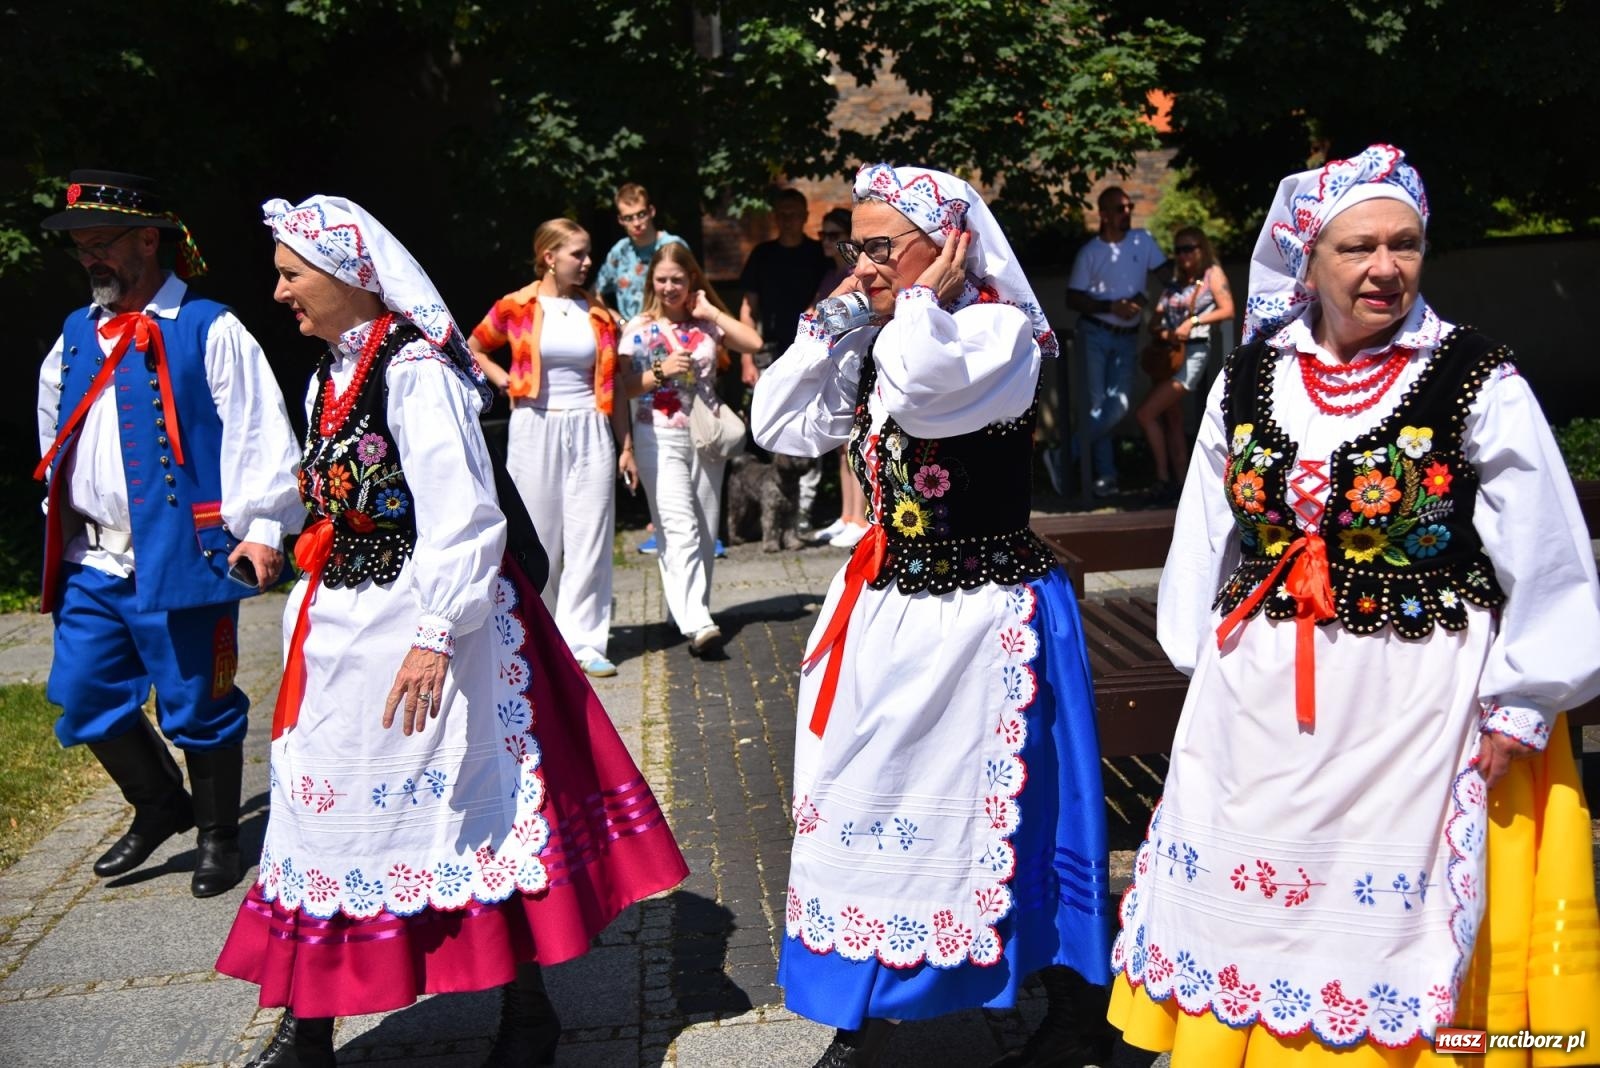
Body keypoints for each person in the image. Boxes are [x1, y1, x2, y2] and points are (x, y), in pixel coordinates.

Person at [1108, 144, 1600, 1065]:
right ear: (1311, 258)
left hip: (1420, 703)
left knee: (1399, 940)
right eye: (1359, 248)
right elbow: (1202, 534)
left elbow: (1546, 546)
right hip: (1261, 707)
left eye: (1405, 245)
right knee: (1261, 924)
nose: (1385, 268)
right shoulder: (1250, 381)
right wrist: (1203, 663)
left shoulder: (1472, 378)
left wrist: (1526, 697)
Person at [216, 195, 688, 1068]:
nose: (279, 293)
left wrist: (436, 633)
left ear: (348, 275)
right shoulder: (330, 375)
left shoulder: (413, 372)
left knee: (470, 815)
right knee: (327, 821)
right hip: (344, 630)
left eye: (290, 275)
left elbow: (466, 517)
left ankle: (526, 1012)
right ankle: (308, 1022)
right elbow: (318, 483)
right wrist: (268, 529)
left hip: (430, 622)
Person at [751, 163, 1112, 1068]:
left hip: (986, 618)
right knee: (865, 807)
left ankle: (1072, 1011)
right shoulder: (886, 329)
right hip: (890, 609)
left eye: (880, 247)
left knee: (1010, 813)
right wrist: (829, 320)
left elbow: (920, 389)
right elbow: (778, 426)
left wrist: (917, 305)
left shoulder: (999, 331)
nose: (862, 265)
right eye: (855, 246)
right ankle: (857, 1010)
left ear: (949, 247)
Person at [33, 169, 302, 900]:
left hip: (187, 556)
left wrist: (266, 528)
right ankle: (160, 808)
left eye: (102, 243)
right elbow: (53, 439)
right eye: (80, 247)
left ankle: (219, 835)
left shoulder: (211, 327)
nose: (91, 259)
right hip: (96, 560)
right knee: (84, 694)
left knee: (199, 705)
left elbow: (259, 432)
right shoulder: (72, 336)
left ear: (148, 240)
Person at [468, 220, 632, 677]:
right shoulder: (516, 305)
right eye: (578, 254)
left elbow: (615, 382)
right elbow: (472, 347)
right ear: (550, 258)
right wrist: (501, 379)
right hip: (533, 425)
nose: (586, 262)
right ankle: (542, 637)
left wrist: (625, 444)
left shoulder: (598, 312)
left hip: (590, 426)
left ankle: (585, 642)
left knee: (591, 535)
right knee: (536, 534)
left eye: (587, 253)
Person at [618, 244, 763, 656]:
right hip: (655, 434)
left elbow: (752, 342)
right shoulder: (639, 328)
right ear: (652, 283)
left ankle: (678, 611)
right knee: (678, 525)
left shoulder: (705, 324)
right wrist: (660, 372)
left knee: (702, 527)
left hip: (704, 435)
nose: (668, 287)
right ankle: (698, 622)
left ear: (691, 281)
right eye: (661, 280)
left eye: (677, 280)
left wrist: (712, 312)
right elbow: (621, 388)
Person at [1060, 187, 1169, 497]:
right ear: (1104, 214)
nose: (1127, 213)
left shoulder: (1142, 241)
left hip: (1127, 337)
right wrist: (1111, 307)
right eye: (1120, 208)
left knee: (1117, 405)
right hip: (1094, 333)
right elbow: (1073, 298)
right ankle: (1105, 477)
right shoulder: (1090, 252)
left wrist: (1148, 298)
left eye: (1129, 207)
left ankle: (1064, 455)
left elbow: (1167, 277)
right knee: (1096, 406)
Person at [1133, 226, 1234, 503]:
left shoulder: (1212, 275)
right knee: (1173, 420)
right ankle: (1180, 484)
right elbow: (1155, 321)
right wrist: (1167, 332)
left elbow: (1228, 309)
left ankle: (1163, 478)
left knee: (1146, 414)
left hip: (1193, 354)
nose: (1183, 255)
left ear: (1201, 249)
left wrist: (1195, 321)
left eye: (1189, 248)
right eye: (1178, 250)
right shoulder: (1175, 284)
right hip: (1169, 355)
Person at [806, 207, 870, 551]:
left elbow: (840, 315)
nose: (826, 242)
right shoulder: (831, 274)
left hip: (854, 364)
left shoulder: (853, 273)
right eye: (823, 235)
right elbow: (815, 310)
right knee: (841, 446)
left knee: (854, 445)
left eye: (833, 235)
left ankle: (860, 518)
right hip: (835, 366)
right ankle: (847, 515)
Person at [594, 181, 688, 323]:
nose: (636, 223)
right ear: (620, 220)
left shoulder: (672, 245)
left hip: (672, 328)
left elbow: (694, 287)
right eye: (629, 218)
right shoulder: (620, 251)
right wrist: (620, 322)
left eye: (641, 214)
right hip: (632, 335)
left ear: (651, 211)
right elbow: (596, 293)